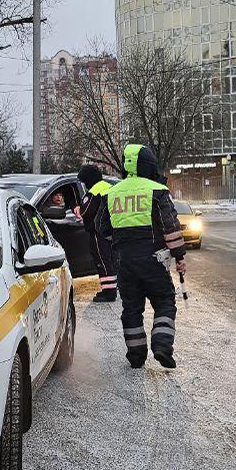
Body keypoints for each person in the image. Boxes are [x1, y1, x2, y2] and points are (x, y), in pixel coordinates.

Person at [97, 144, 186, 369]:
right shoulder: (156, 190)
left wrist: (120, 241)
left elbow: (102, 227)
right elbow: (171, 227)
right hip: (154, 260)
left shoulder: (112, 192)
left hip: (125, 263)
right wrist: (179, 256)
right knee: (165, 301)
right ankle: (162, 346)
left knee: (132, 308)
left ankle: (136, 355)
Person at [77, 164, 118, 302]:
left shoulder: (94, 192)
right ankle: (113, 288)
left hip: (98, 232)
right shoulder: (109, 187)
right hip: (111, 230)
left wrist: (77, 208)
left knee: (102, 260)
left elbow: (85, 211)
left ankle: (108, 292)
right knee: (111, 260)